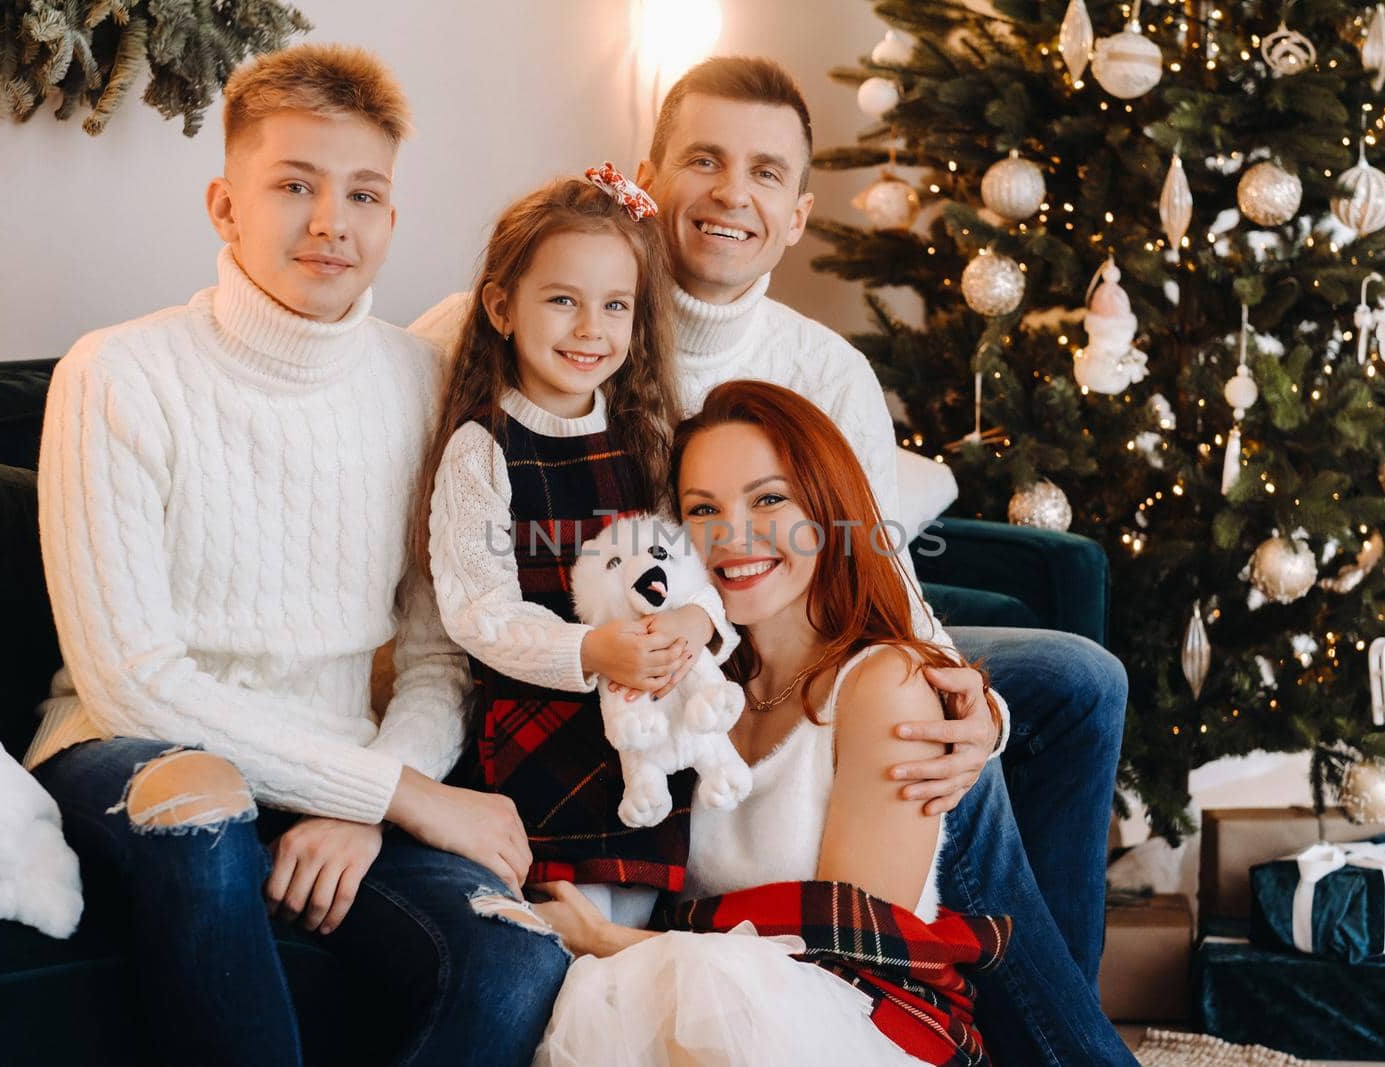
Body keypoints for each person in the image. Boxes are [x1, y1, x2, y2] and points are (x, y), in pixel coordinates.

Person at [413, 57, 1133, 1064]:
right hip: (660, 662)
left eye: (762, 172)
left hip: (783, 633)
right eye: (702, 159)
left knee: (1059, 684)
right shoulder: (544, 324)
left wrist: (972, 707)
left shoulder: (825, 368)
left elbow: (878, 569)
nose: (728, 192)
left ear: (795, 214)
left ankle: (1055, 1022)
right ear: (651, 177)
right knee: (946, 757)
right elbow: (449, 595)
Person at [23, 44, 566, 1067]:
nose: (332, 221)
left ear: (391, 220)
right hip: (132, 751)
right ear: (225, 205)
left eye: (363, 193)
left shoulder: (423, 381)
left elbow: (436, 653)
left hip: (344, 762)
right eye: (295, 186)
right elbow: (133, 680)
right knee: (203, 809)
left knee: (515, 960)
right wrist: (394, 794)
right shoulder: (119, 374)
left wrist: (363, 804)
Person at [529, 379, 1011, 1067]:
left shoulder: (885, 686)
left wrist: (608, 940)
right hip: (700, 1016)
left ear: (827, 508)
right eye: (704, 509)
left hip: (863, 1025)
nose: (733, 536)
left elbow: (849, 969)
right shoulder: (695, 680)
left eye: (768, 498)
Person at [415, 169, 736, 929]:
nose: (591, 329)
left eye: (614, 306)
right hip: (539, 749)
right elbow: (479, 614)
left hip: (653, 743)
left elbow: (701, 572)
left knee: (639, 925)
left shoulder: (651, 441)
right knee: (568, 940)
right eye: (563, 300)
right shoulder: (480, 449)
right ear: (502, 307)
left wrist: (699, 622)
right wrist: (594, 649)